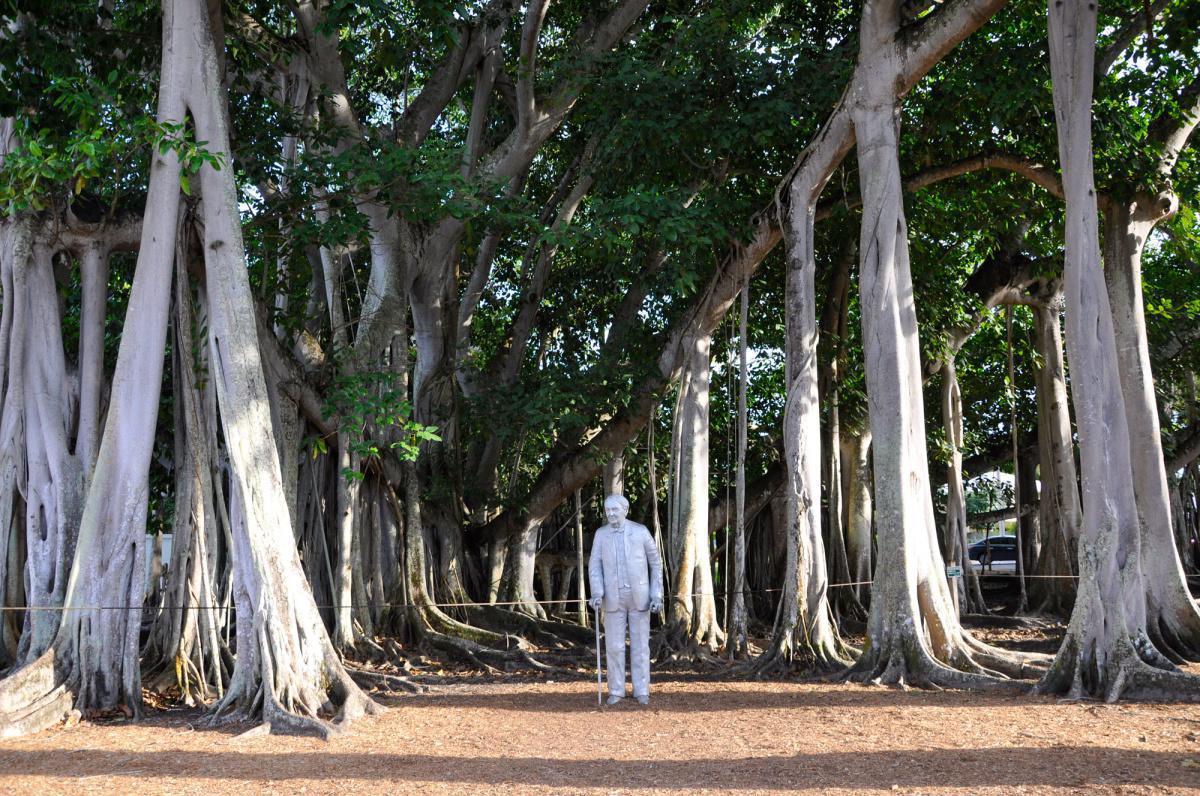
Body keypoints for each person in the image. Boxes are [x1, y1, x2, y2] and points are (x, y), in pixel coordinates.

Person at [588, 494, 663, 705]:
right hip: (613, 597)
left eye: (615, 510)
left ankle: (641, 690)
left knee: (640, 646)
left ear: (625, 510)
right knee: (614, 646)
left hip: (639, 597)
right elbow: (594, 566)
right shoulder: (600, 535)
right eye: (607, 510)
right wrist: (597, 593)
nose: (611, 514)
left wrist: (656, 595)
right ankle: (617, 690)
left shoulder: (640, 532)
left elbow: (655, 564)